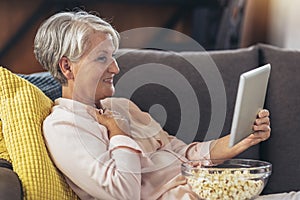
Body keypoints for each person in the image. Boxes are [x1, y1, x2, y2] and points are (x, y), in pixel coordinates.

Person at [34, 11, 271, 200]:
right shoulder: (64, 126)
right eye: (101, 58)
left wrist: (239, 140)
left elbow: (182, 154)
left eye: (112, 57)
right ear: (67, 67)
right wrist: (118, 133)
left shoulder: (122, 107)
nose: (115, 68)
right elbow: (122, 193)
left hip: (212, 190)